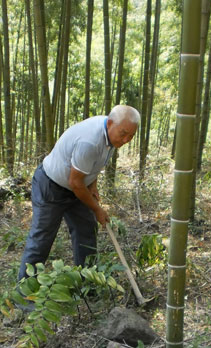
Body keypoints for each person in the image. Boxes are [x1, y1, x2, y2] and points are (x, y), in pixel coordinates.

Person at [18, 105, 140, 284]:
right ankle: (24, 291)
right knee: (42, 238)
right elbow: (75, 182)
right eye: (123, 134)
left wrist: (93, 186)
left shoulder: (111, 135)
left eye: (131, 136)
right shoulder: (90, 141)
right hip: (51, 187)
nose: (126, 140)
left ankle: (88, 284)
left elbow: (92, 166)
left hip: (76, 187)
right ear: (111, 123)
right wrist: (97, 209)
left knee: (86, 230)